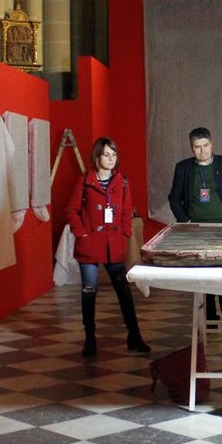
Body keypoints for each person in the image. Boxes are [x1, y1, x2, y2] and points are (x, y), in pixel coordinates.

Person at [66, 137, 150, 357]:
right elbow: (72, 210)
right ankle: (90, 338)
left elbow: (126, 210)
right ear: (97, 157)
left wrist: (124, 234)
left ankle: (134, 335)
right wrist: (82, 233)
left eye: (114, 154)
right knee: (89, 291)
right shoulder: (84, 180)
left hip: (113, 244)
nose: (111, 159)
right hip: (89, 244)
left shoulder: (122, 182)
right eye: (106, 154)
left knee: (124, 291)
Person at [168, 127, 222, 339]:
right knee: (204, 278)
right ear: (191, 148)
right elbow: (174, 198)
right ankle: (209, 320)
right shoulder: (183, 168)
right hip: (196, 232)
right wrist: (186, 221)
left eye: (205, 145)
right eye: (197, 147)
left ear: (211, 144)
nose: (202, 151)